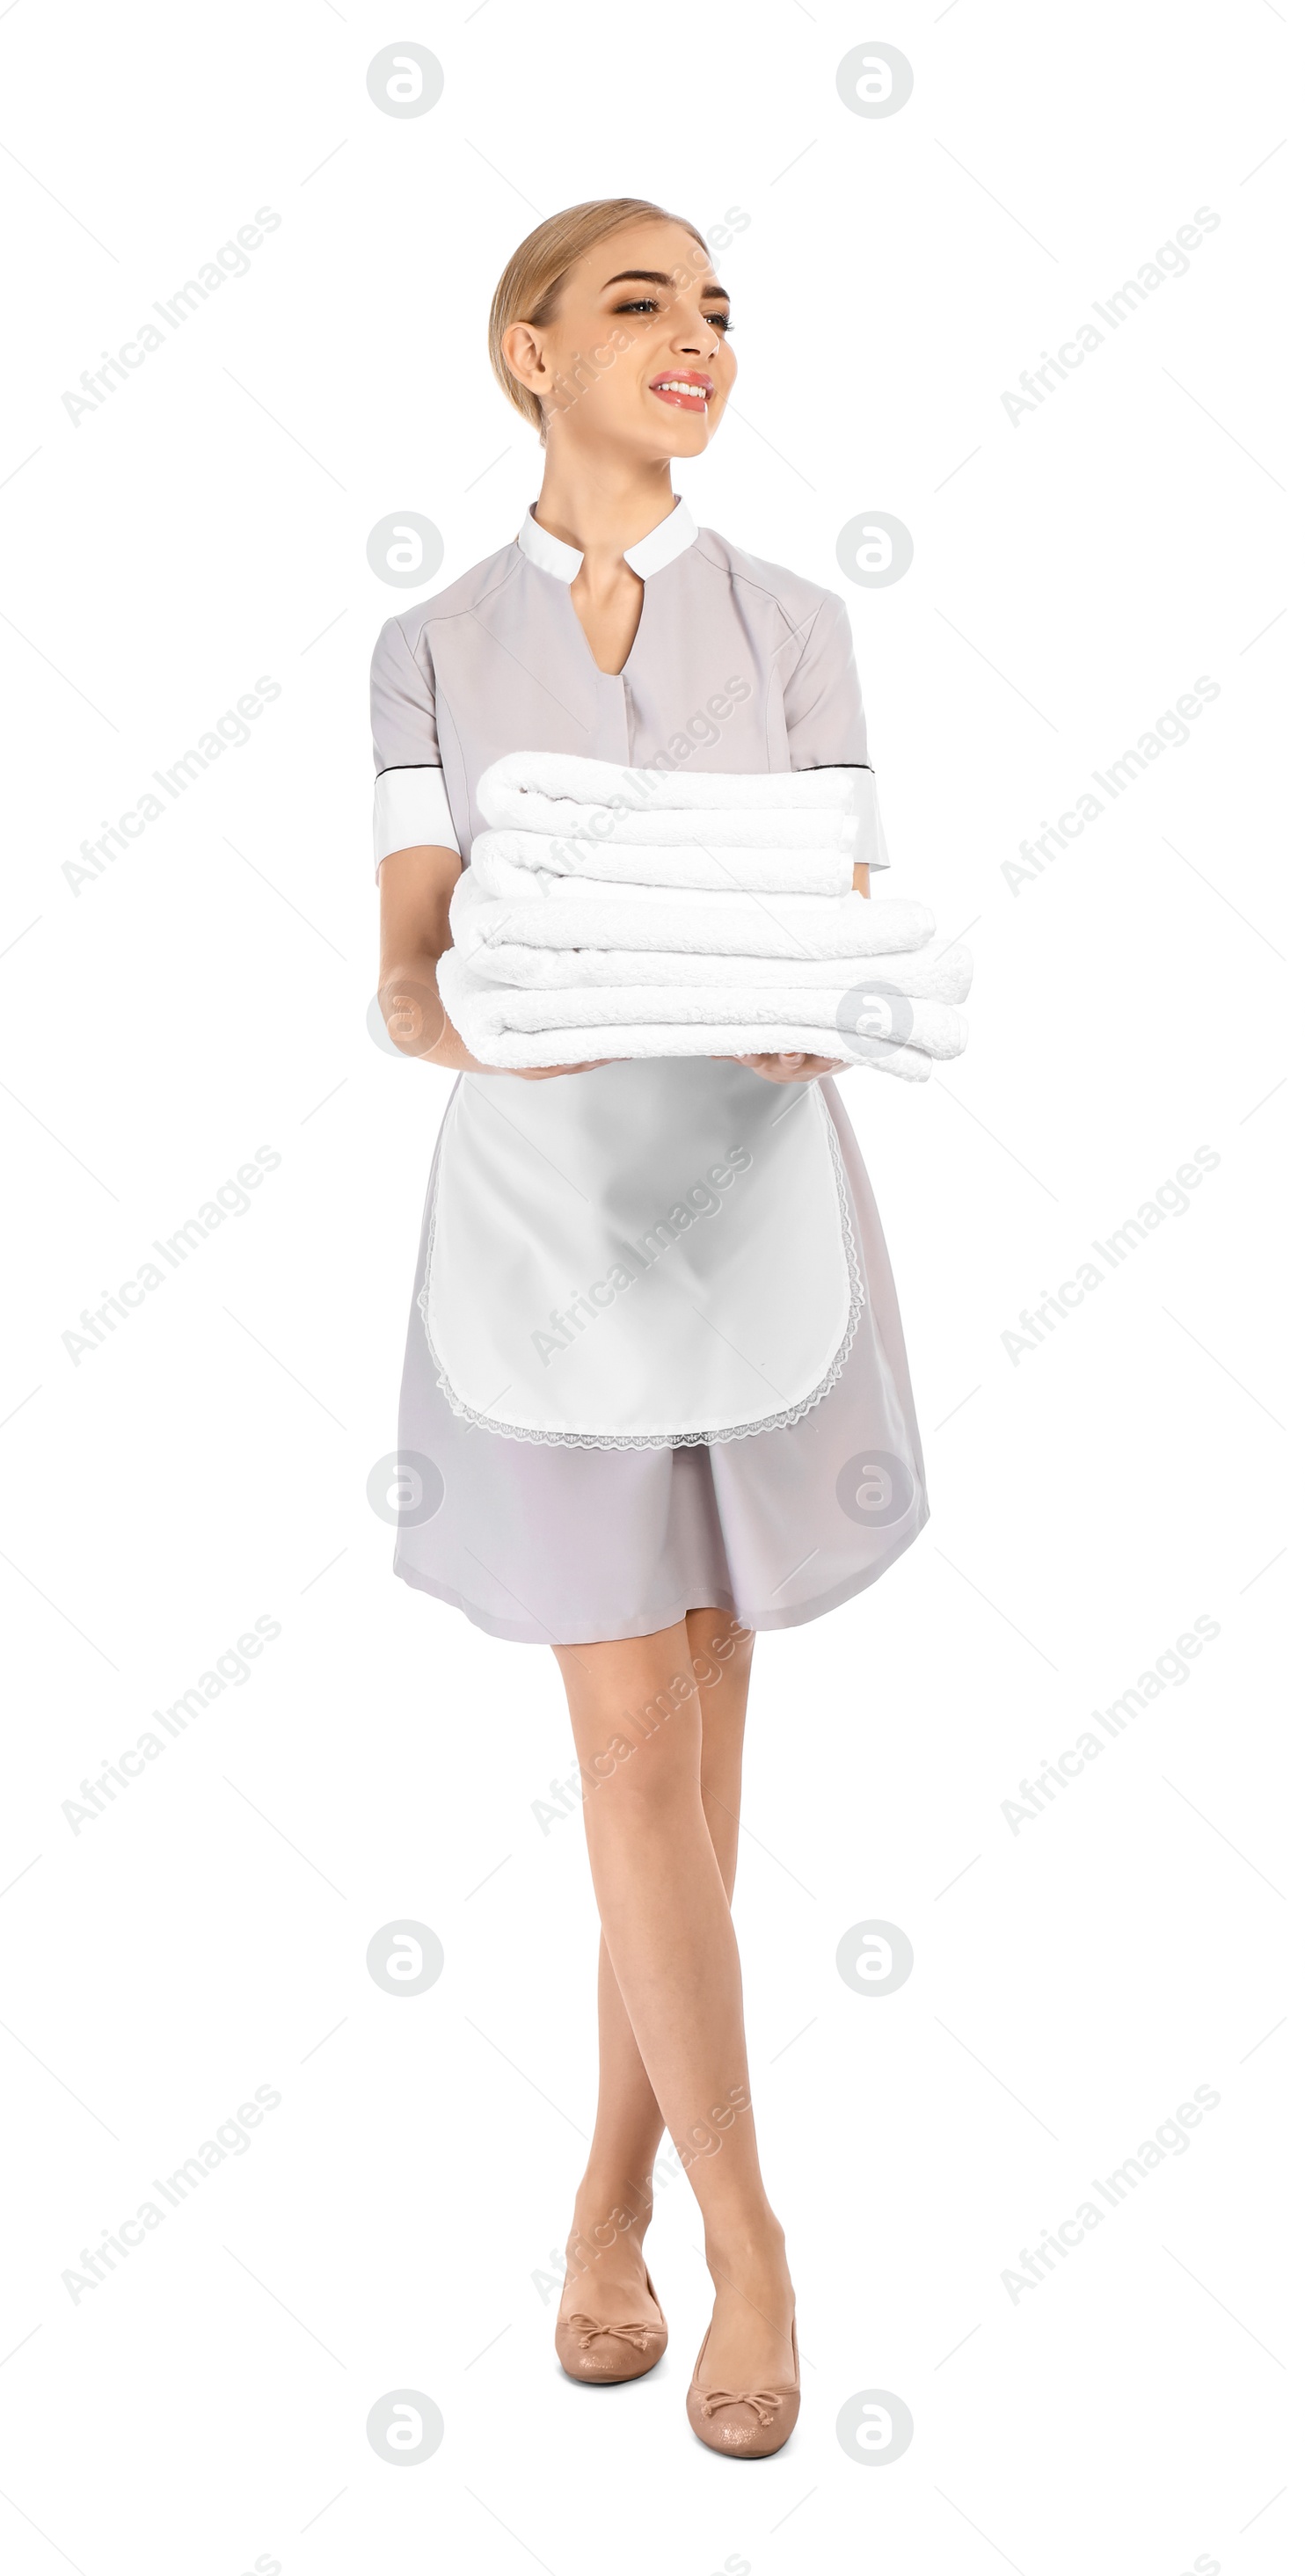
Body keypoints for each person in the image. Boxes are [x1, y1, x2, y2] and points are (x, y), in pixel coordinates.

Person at [373, 197, 927, 2457]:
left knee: (689, 1770)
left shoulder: (793, 629)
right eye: (640, 304)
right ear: (529, 352)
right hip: (540, 1235)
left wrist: (817, 1005)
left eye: (715, 309)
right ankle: (754, 2231)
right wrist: (470, 1022)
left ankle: (602, 2206)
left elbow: (846, 907)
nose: (696, 337)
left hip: (757, 1214)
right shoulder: (425, 650)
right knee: (625, 1757)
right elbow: (407, 972)